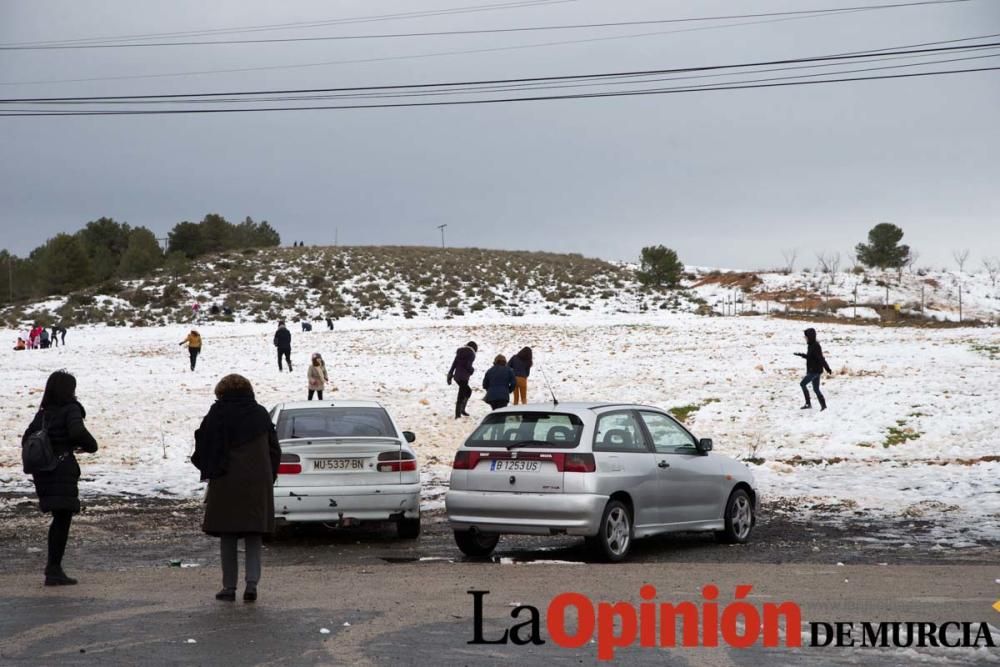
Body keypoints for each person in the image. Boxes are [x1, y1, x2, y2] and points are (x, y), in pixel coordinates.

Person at [192, 374, 281, 603]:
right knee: (253, 533)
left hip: (225, 481)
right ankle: (252, 584)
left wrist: (209, 469)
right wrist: (268, 476)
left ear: (221, 392)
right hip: (257, 480)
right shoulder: (260, 413)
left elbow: (202, 445)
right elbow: (274, 449)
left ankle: (229, 587)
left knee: (228, 535)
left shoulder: (217, 413)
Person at [22, 370, 98, 586]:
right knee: (62, 519)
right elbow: (77, 431)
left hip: (44, 471)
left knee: (59, 517)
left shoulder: (44, 412)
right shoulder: (70, 409)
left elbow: (27, 437)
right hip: (62, 470)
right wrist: (90, 446)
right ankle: (53, 569)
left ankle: (53, 568)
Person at [795, 328, 833, 410]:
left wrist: (827, 368)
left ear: (810, 337)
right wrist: (801, 355)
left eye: (806, 337)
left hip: (815, 371)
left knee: (802, 384)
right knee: (816, 389)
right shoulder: (811, 345)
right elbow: (811, 357)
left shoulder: (816, 346)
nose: (805, 338)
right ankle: (823, 406)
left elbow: (821, 359)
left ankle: (808, 404)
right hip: (814, 370)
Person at [446, 341, 478, 419]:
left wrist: (450, 374)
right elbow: (468, 365)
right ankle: (458, 415)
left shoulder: (460, 352)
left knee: (468, 391)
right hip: (464, 377)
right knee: (461, 395)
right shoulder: (471, 354)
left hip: (457, 377)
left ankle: (462, 410)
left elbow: (454, 364)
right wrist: (472, 370)